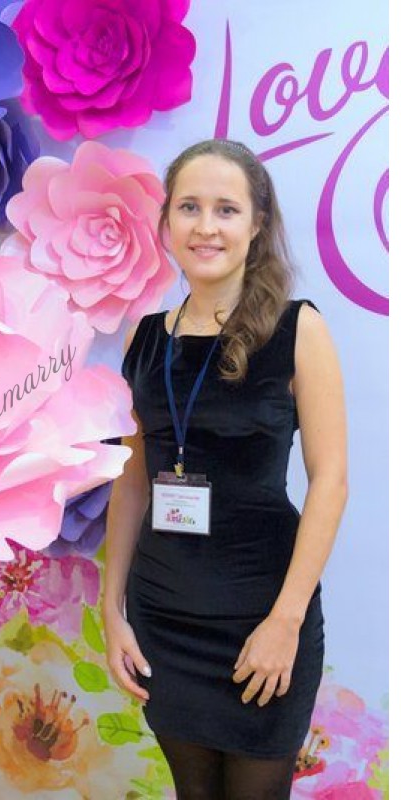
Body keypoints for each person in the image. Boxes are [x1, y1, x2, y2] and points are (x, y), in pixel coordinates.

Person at [102, 139, 347, 799]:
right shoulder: (143, 339)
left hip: (262, 617)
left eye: (226, 209)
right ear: (166, 221)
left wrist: (286, 621)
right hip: (163, 618)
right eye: (189, 207)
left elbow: (330, 481)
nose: (205, 226)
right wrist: (111, 608)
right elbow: (131, 482)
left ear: (257, 223)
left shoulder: (298, 330)